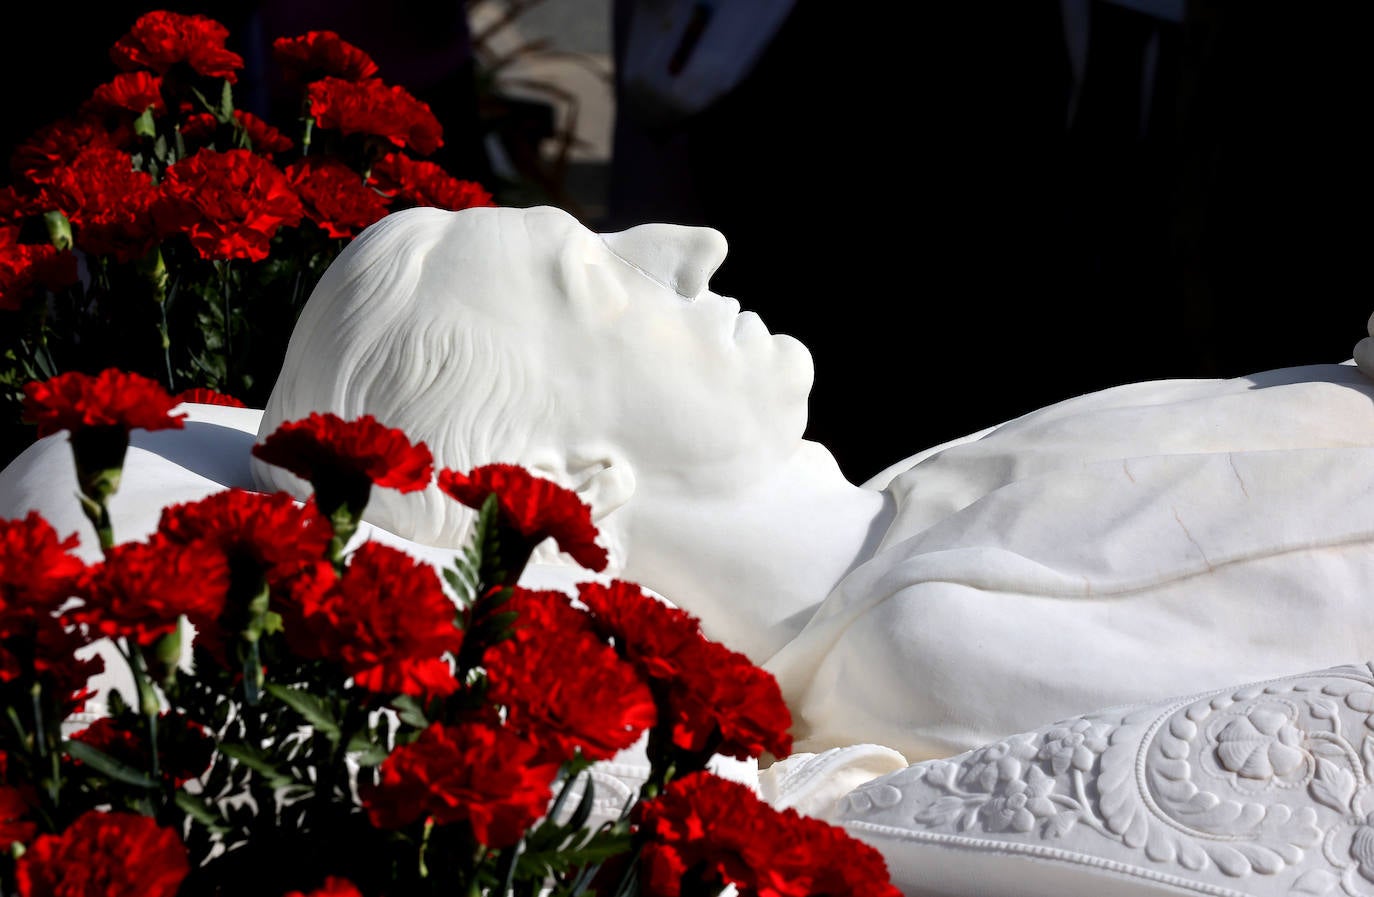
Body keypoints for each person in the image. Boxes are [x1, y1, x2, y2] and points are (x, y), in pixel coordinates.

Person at [249, 205, 1374, 765]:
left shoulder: (923, 505)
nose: (690, 244)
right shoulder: (935, 639)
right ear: (571, 485)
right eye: (597, 280)